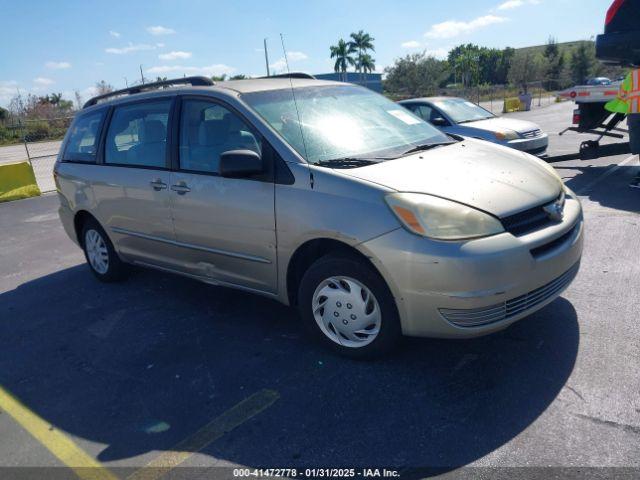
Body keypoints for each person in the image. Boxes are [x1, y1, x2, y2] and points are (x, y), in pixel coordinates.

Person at [605, 69, 640, 188]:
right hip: (635, 114)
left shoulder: (633, 75)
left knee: (639, 144)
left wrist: (620, 108)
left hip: (635, 113)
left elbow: (622, 95)